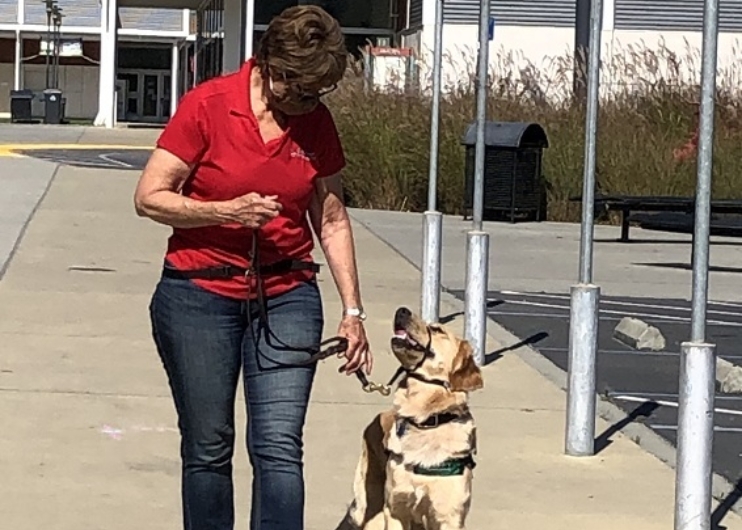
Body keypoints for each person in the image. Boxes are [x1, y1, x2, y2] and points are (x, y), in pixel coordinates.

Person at [133, 6, 372, 530]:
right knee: (208, 445)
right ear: (273, 68)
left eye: (320, 93)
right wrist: (224, 211)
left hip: (287, 294)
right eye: (304, 90)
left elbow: (330, 220)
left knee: (279, 447)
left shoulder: (315, 123)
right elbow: (149, 197)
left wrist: (353, 310)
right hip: (198, 292)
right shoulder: (208, 106)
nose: (311, 103)